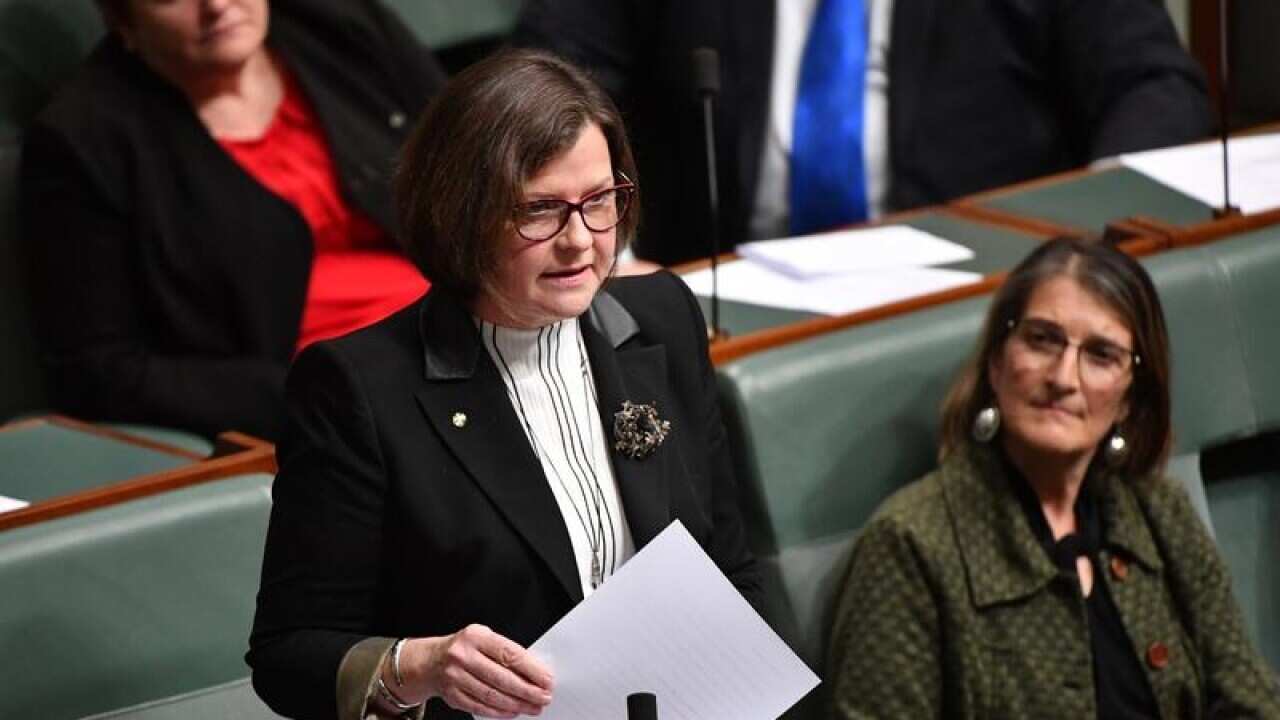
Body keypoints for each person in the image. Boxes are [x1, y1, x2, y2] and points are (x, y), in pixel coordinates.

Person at [247, 48, 761, 720]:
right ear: (462, 212)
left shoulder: (661, 317)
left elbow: (725, 570)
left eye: (601, 200)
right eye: (540, 211)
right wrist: (418, 666)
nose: (581, 241)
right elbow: (288, 656)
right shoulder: (358, 390)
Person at [827, 237, 1280, 718]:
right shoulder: (911, 543)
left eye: (1101, 355)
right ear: (997, 361)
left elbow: (1249, 700)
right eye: (1042, 339)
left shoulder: (1159, 510)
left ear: (1129, 399)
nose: (1064, 377)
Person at [20, 0, 446, 440]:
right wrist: (324, 391)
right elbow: (99, 372)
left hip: (478, 331)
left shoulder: (346, 29)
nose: (217, 5)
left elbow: (485, 169)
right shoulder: (85, 139)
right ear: (122, 20)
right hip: (338, 406)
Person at [514, 1, 1213, 265]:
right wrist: (608, 251)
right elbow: (549, 78)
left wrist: (1089, 255)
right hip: (714, 290)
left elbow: (1154, 86)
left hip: (985, 285)